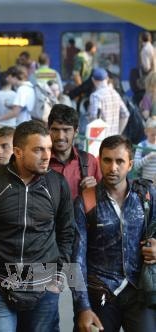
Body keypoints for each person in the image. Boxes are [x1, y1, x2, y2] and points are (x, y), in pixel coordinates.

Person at [0, 120, 75, 332]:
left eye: (48, 148)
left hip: (44, 285)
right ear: (18, 152)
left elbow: (67, 232)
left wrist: (58, 276)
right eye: (38, 149)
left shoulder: (57, 184)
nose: (47, 155)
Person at [73, 135, 156, 332]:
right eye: (107, 160)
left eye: (120, 161)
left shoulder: (146, 195)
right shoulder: (85, 201)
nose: (113, 168)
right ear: (99, 160)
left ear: (130, 164)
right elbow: (75, 259)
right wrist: (82, 306)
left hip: (139, 292)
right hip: (99, 293)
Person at [48, 104, 102, 200]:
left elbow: (103, 198)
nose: (60, 136)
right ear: (49, 130)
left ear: (76, 132)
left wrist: (95, 190)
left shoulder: (90, 161)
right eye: (55, 130)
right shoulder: (40, 161)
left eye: (66, 130)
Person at [88, 68, 129, 137]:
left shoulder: (96, 96)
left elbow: (94, 117)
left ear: (93, 80)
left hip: (101, 139)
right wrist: (118, 133)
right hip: (113, 138)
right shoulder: (115, 93)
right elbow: (126, 114)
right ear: (107, 78)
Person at [134, 117, 156, 182]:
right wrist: (148, 157)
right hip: (146, 182)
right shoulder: (141, 146)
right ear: (146, 132)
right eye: (152, 135)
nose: (155, 137)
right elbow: (136, 166)